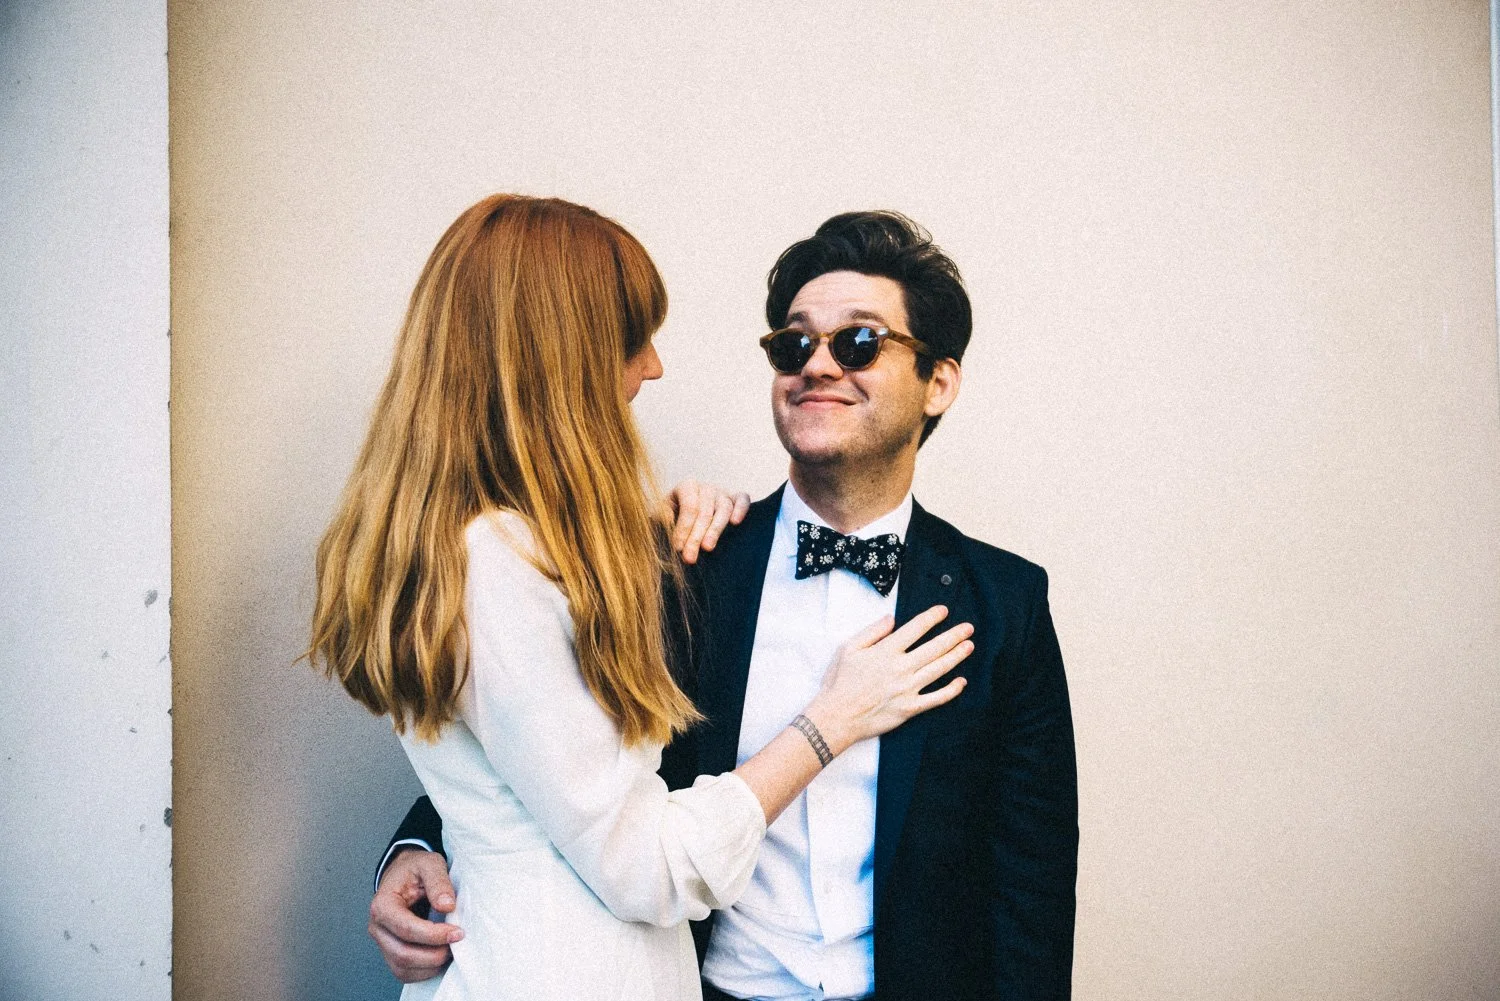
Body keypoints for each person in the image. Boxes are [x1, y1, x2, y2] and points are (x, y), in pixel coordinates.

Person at [372, 210, 1079, 1000]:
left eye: (858, 342)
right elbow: (540, 753)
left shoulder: (1005, 603)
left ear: (938, 381)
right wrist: (417, 848)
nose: (818, 365)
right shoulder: (678, 564)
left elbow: (1033, 884)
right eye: (793, 345)